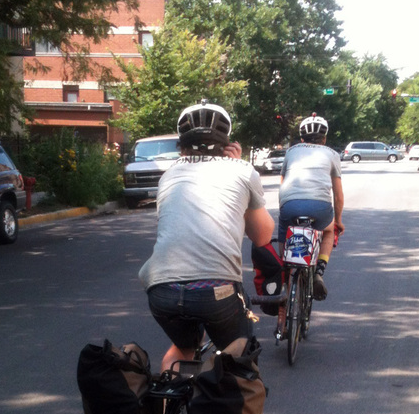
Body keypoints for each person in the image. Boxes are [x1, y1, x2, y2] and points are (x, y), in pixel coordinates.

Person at [139, 100, 275, 371]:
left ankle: (163, 409)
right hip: (216, 292)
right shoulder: (242, 170)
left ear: (182, 144)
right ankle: (233, 405)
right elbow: (262, 236)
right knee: (239, 360)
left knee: (182, 349)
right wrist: (237, 168)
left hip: (161, 290)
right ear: (226, 142)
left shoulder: (168, 176)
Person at [278, 113, 345, 300]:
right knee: (329, 231)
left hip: (290, 205)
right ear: (324, 139)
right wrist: (338, 221)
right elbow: (338, 195)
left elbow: (282, 184)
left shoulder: (291, 152)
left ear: (301, 139)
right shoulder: (332, 154)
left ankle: (285, 276)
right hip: (320, 208)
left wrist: (285, 210)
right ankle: (318, 273)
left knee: (285, 231)